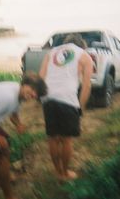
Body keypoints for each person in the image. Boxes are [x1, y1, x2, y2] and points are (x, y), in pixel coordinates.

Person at [39, 33, 93, 181]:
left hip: (48, 97)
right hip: (67, 98)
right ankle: (65, 173)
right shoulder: (84, 56)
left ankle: (57, 172)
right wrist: (80, 107)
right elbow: (87, 85)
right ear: (82, 45)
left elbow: (41, 78)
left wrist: (43, 99)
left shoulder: (51, 53)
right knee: (66, 139)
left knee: (53, 138)